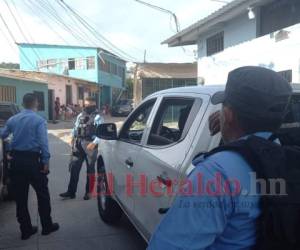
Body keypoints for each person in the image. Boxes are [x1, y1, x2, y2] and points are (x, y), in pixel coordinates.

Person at [148, 66, 292, 249]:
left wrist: (229, 124)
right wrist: (229, 124)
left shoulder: (216, 173)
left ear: (228, 115)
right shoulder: (288, 159)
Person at [1, 93, 59, 240]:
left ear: (23, 103)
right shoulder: (39, 120)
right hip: (33, 161)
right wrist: (45, 161)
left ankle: (25, 230)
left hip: (17, 161)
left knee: (21, 198)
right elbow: (43, 143)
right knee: (42, 195)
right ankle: (47, 226)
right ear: (36, 103)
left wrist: (8, 148)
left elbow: (3, 134)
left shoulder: (13, 119)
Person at [60, 97, 103, 200]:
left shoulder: (98, 117)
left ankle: (89, 192)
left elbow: (101, 133)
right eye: (86, 104)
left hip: (90, 145)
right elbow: (75, 128)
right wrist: (72, 137)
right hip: (78, 143)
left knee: (90, 170)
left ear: (94, 105)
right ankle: (71, 192)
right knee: (74, 168)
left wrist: (94, 142)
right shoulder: (80, 115)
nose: (87, 107)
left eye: (89, 105)